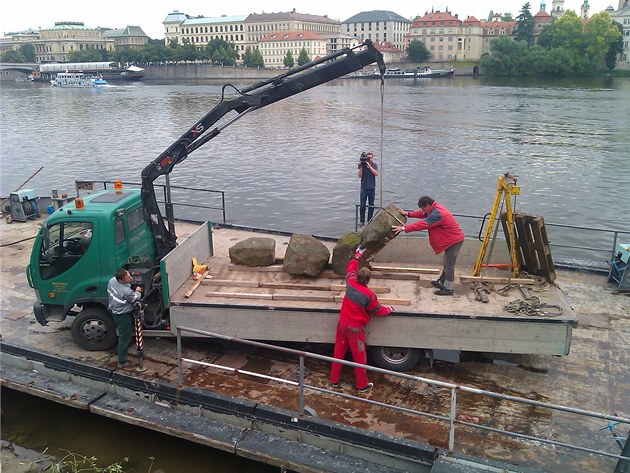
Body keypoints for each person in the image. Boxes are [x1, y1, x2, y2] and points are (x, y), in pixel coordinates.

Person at [330, 247, 392, 392]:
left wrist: (357, 255)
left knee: (338, 353)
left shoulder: (350, 283)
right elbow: (378, 310)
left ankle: (334, 380)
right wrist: (389, 309)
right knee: (359, 357)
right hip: (355, 330)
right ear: (368, 280)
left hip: (342, 325)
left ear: (357, 276)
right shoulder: (369, 295)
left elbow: (350, 268)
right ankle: (361, 385)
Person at [392, 196, 464, 296]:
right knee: (447, 262)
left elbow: (422, 224)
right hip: (450, 239)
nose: (422, 210)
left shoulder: (437, 213)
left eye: (423, 208)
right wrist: (408, 214)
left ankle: (449, 289)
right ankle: (442, 282)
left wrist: (404, 228)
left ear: (428, 205)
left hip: (454, 240)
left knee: (449, 265)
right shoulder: (434, 208)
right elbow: (422, 214)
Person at [107, 268, 143, 368]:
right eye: (127, 278)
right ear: (121, 280)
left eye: (129, 275)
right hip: (122, 316)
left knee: (124, 334)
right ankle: (122, 361)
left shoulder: (112, 281)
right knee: (124, 338)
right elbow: (135, 298)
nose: (130, 278)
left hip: (114, 311)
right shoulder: (126, 292)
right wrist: (138, 291)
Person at [357, 151, 378, 226]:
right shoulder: (362, 165)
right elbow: (359, 176)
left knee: (371, 205)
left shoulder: (374, 165)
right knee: (362, 205)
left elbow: (376, 173)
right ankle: (362, 221)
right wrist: (360, 167)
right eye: (368, 158)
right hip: (364, 188)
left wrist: (369, 166)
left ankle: (369, 220)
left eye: (370, 158)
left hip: (372, 188)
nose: (369, 159)